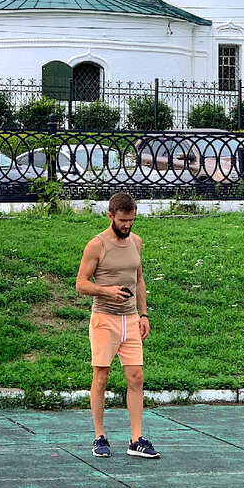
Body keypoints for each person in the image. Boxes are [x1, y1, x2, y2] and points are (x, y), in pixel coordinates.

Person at [75, 192, 160, 459]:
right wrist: (106, 291)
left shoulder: (136, 241)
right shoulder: (96, 245)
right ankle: (99, 436)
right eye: (123, 220)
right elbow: (81, 284)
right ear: (110, 216)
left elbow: (140, 278)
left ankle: (137, 439)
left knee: (136, 377)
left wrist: (143, 315)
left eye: (131, 220)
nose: (127, 225)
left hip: (130, 319)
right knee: (101, 376)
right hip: (104, 319)